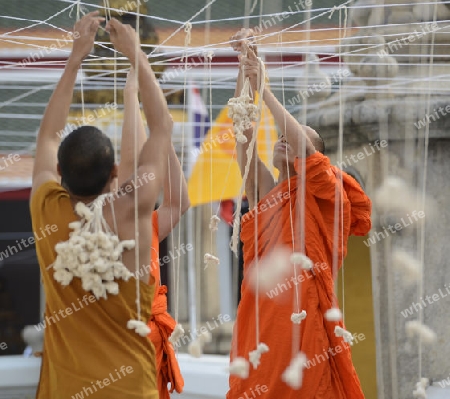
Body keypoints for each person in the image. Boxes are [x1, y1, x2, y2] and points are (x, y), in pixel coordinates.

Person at [30, 13, 173, 398]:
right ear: (114, 172)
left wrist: (77, 56)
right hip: (131, 388)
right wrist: (136, 55)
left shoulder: (46, 207)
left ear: (59, 171)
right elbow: (161, 128)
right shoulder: (133, 207)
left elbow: (47, 137)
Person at [227, 29, 372, 399]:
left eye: (291, 137)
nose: (281, 139)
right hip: (261, 318)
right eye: (281, 137)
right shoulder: (267, 193)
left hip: (303, 319)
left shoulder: (328, 194)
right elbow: (243, 133)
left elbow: (305, 150)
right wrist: (246, 67)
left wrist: (267, 93)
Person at [118, 67, 188, 398]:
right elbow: (132, 176)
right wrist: (133, 98)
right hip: (121, 341)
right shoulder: (102, 229)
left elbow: (178, 202)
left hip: (151, 339)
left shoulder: (146, 226)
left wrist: (163, 139)